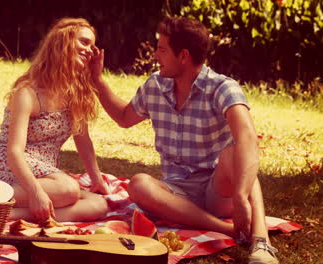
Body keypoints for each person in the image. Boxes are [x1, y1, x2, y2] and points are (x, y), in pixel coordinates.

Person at [90, 17, 278, 264]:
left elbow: (247, 137)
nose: (156, 55)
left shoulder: (222, 87)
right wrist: (98, 81)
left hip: (218, 188)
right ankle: (227, 230)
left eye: (162, 49)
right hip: (176, 192)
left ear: (183, 56)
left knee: (237, 152)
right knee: (138, 184)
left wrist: (240, 197)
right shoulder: (155, 86)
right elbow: (124, 118)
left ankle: (261, 242)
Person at [0, 17, 110, 223]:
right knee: (68, 189)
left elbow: (83, 139)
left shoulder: (75, 93)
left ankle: (8, 216)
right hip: (8, 165)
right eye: (84, 42)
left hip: (44, 172)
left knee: (98, 205)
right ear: (63, 43)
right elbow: (14, 152)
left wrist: (97, 180)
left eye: (93, 46)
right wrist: (35, 193)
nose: (89, 50)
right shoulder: (28, 93)